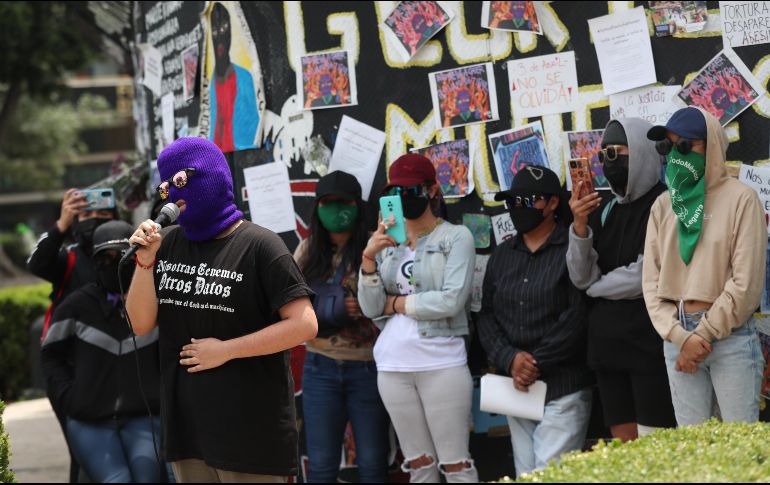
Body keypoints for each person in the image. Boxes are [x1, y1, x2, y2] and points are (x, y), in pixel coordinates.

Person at [125, 137, 317, 483]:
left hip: (250, 435)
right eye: (166, 186)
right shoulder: (165, 243)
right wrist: (145, 262)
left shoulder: (261, 245)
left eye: (180, 182)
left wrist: (226, 351)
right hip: (188, 432)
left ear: (212, 177)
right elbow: (139, 324)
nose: (172, 194)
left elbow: (303, 325)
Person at [358, 153, 478, 483]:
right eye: (396, 192)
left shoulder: (455, 238)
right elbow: (370, 307)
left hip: (441, 363)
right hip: (392, 367)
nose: (404, 198)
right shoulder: (386, 244)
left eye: (413, 191)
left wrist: (395, 304)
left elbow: (451, 301)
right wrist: (369, 258)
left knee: (456, 465)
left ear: (432, 190)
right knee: (419, 466)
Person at [643, 107, 766, 426]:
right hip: (677, 335)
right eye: (667, 147)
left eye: (685, 146)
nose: (675, 155)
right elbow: (651, 283)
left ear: (710, 146)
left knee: (739, 456)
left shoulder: (742, 199)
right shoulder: (663, 205)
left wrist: (704, 333)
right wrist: (680, 337)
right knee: (693, 455)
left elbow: (746, 284)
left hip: (731, 337)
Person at [478, 165, 594, 477]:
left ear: (553, 203)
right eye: (512, 202)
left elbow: (579, 314)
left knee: (550, 476)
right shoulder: (501, 255)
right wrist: (510, 359)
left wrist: (534, 362)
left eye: (527, 201)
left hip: (563, 387)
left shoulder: (574, 248)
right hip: (518, 390)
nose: (518, 208)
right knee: (525, 474)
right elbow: (486, 315)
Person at [566, 118, 676, 442]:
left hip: (649, 343)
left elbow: (647, 274)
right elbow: (579, 274)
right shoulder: (606, 210)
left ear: (641, 152)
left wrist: (595, 289)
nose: (609, 162)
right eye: (604, 155)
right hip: (606, 346)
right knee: (623, 442)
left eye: (618, 152)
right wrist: (580, 227)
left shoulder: (665, 203)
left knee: (655, 442)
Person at [40, 221, 165, 483]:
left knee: (148, 478)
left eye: (119, 256)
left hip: (144, 416)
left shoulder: (155, 304)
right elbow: (51, 357)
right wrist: (70, 398)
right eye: (103, 258)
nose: (111, 264)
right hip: (89, 421)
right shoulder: (75, 306)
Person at [294, 171, 389, 483]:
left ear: (357, 206)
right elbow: (291, 309)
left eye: (343, 202)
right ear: (318, 208)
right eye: (327, 203)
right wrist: (333, 308)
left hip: (369, 367)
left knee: (374, 462)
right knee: (321, 465)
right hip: (319, 367)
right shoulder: (306, 252)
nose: (336, 210)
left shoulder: (377, 248)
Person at [27, 187, 116, 483]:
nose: (94, 220)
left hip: (117, 367)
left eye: (103, 214)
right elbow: (37, 263)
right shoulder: (68, 259)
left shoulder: (126, 254)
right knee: (83, 452)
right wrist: (62, 223)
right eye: (86, 214)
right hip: (70, 369)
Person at [209, 2, 259, 152]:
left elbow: (254, 129)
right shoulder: (210, 85)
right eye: (215, 31)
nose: (220, 36)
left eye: (224, 28)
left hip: (242, 160)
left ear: (230, 31)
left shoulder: (245, 78)